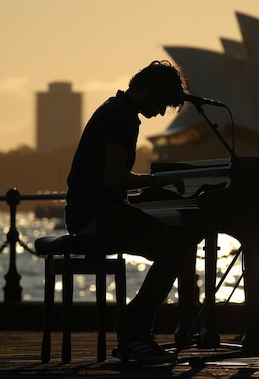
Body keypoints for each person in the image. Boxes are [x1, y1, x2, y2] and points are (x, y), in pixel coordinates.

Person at [64, 60, 203, 363]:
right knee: (175, 248)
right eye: (162, 102)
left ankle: (135, 329)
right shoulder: (121, 117)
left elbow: (111, 181)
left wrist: (148, 191)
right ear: (148, 90)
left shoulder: (115, 109)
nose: (162, 111)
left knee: (172, 245)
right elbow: (113, 179)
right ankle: (135, 333)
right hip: (94, 215)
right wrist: (157, 181)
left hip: (90, 210)